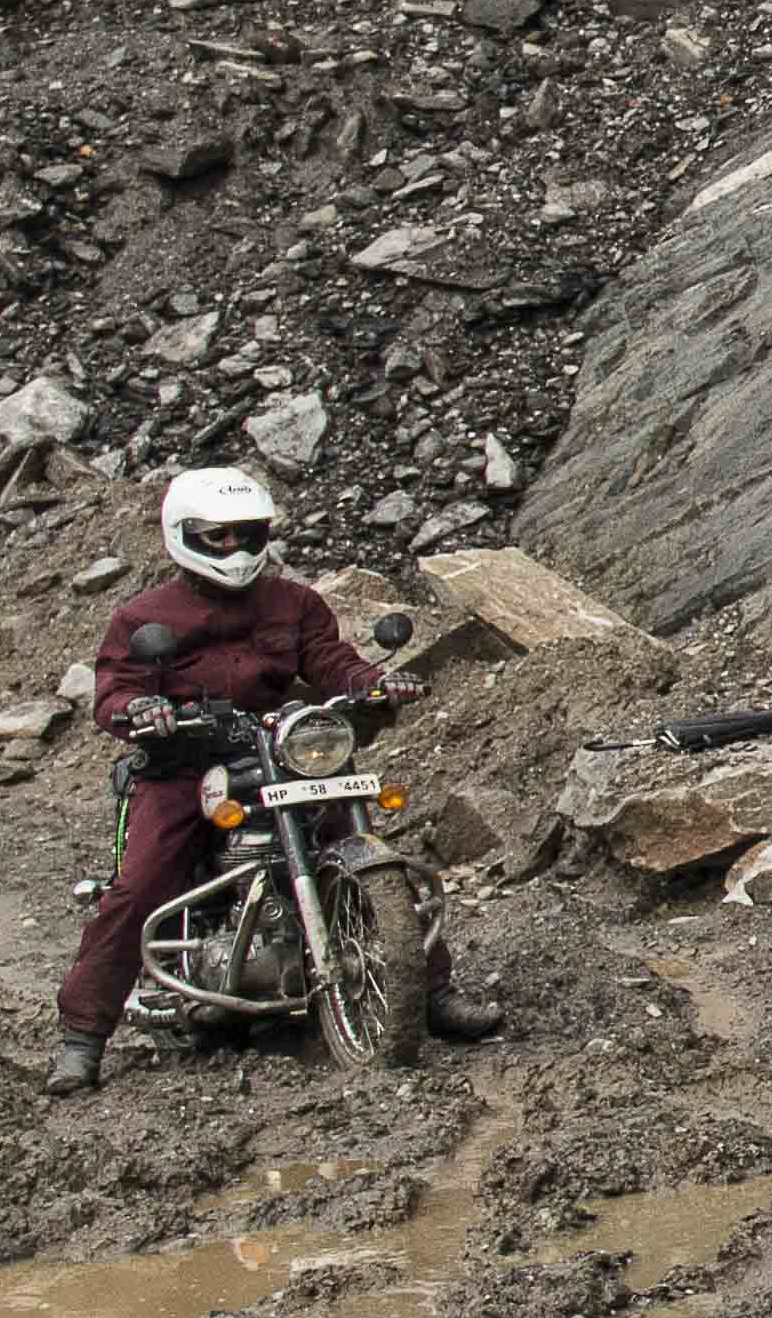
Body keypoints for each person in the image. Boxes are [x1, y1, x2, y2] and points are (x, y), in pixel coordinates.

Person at [43, 467, 498, 1094]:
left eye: (246, 534)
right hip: (186, 764)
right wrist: (140, 711)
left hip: (283, 750)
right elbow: (115, 689)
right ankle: (83, 1039)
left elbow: (329, 659)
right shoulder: (143, 616)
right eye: (217, 537)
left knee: (359, 839)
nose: (233, 548)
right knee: (143, 882)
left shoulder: (294, 602)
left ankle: (430, 992)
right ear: (184, 537)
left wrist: (370, 684)